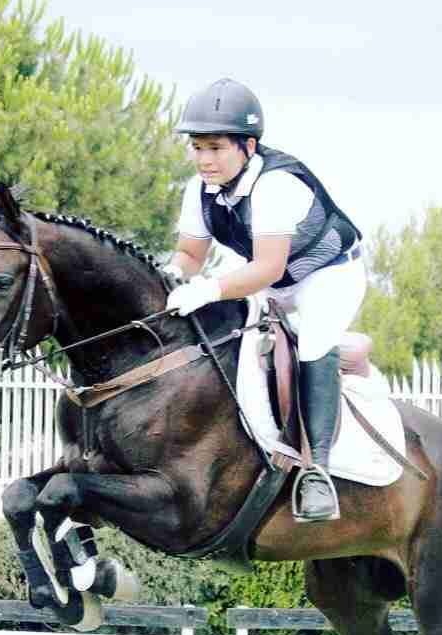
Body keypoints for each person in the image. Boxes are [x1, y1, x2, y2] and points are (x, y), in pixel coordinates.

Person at [164, 78, 365, 523]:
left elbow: (268, 268)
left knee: (312, 342)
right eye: (197, 148)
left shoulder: (276, 185)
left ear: (248, 146)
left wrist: (209, 288)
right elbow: (190, 256)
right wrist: (173, 278)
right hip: (272, 280)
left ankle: (318, 472)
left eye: (215, 148)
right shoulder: (198, 190)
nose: (203, 159)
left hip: (328, 274)